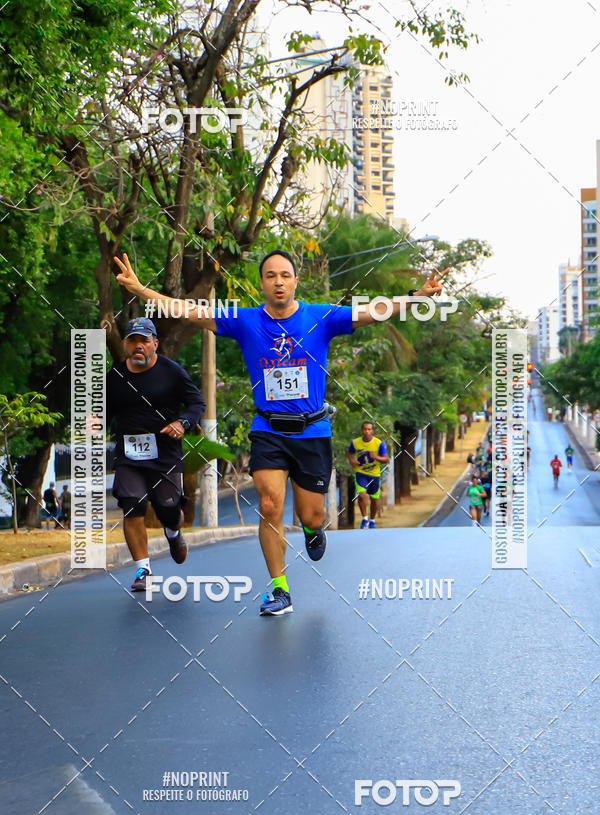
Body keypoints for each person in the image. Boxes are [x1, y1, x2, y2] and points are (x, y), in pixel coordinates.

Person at [114, 250, 448, 615]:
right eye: (270, 275)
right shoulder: (244, 320)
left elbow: (372, 311)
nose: (278, 281)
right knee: (270, 505)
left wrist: (417, 296)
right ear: (262, 283)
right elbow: (189, 310)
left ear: (295, 281)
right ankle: (280, 590)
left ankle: (312, 529)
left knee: (311, 515)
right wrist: (141, 289)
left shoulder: (320, 316)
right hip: (268, 428)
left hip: (312, 430)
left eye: (285, 275)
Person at [106, 317, 206, 592]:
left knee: (168, 506)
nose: (139, 346)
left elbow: (197, 403)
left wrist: (182, 423)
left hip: (164, 452)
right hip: (129, 453)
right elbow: (103, 412)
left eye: (144, 340)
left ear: (155, 344)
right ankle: (143, 569)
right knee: (131, 503)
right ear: (126, 344)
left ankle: (173, 532)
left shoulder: (171, 371)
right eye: (133, 340)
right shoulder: (114, 377)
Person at [347, 422, 389, 529]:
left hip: (374, 475)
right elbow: (349, 453)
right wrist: (352, 461)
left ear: (372, 431)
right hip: (361, 473)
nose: (367, 431)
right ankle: (365, 518)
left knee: (374, 499)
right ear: (362, 430)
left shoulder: (378, 443)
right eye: (365, 429)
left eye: (369, 429)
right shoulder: (356, 442)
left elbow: (386, 459)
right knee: (361, 495)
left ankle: (372, 520)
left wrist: (376, 457)